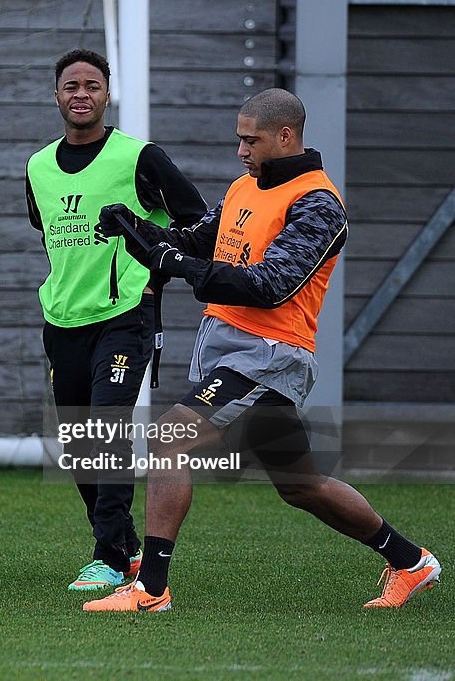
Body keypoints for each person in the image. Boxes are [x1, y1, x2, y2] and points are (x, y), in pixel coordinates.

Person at [84, 87, 441, 612]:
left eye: (250, 140)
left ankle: (150, 589)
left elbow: (270, 284)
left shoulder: (320, 205)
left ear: (286, 136)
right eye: (239, 139)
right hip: (231, 350)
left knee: (167, 439)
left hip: (270, 354)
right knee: (301, 486)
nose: (241, 150)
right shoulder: (242, 188)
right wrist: (137, 229)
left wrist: (178, 267)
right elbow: (197, 243)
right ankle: (411, 562)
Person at [26, 49, 206, 593]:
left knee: (107, 424)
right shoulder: (37, 166)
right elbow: (47, 228)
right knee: (80, 440)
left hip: (127, 311)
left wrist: (154, 265)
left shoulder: (139, 156)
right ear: (56, 95)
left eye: (92, 84)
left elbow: (197, 218)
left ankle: (107, 554)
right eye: (71, 85)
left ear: (108, 94)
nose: (81, 93)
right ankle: (122, 544)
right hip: (63, 316)